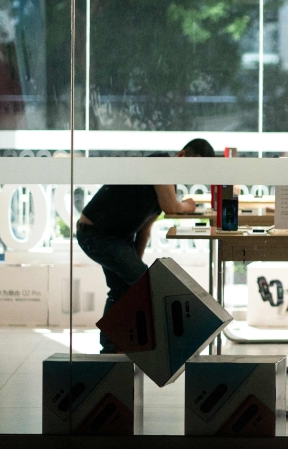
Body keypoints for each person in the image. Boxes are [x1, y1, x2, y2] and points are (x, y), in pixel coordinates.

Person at [77, 138, 215, 354]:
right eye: (192, 166)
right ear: (180, 155)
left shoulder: (166, 185)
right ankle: (158, 344)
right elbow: (172, 207)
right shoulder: (160, 163)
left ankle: (112, 347)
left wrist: (135, 263)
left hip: (116, 238)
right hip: (95, 233)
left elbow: (144, 230)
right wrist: (188, 205)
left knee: (123, 287)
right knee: (144, 284)